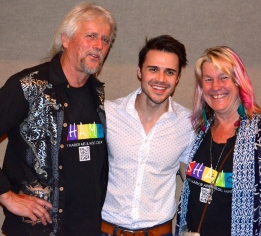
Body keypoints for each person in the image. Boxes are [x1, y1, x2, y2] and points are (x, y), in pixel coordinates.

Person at [0, 3, 117, 236]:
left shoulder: (98, 95)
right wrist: (6, 196)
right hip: (36, 230)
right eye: (91, 36)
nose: (99, 46)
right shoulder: (27, 87)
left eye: (105, 40)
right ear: (66, 39)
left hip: (87, 229)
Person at [176, 46, 261, 236]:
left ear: (238, 82)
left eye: (224, 77)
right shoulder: (199, 133)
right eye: (208, 79)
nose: (215, 86)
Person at [100, 35, 194, 236]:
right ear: (139, 72)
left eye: (169, 72)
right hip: (106, 230)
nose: (160, 79)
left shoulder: (188, 124)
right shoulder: (108, 113)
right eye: (153, 69)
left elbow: (194, 179)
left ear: (177, 78)